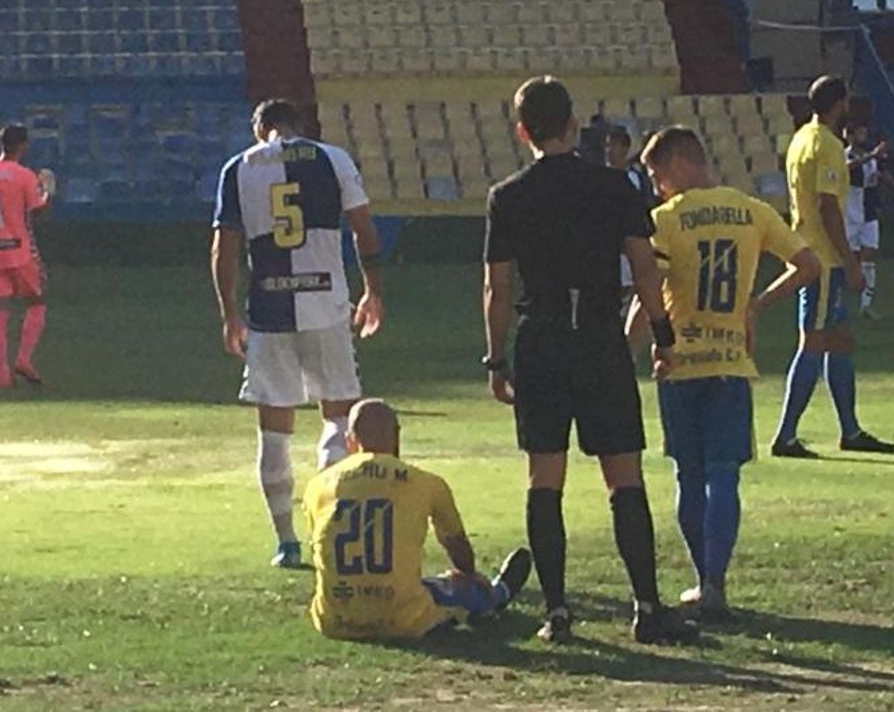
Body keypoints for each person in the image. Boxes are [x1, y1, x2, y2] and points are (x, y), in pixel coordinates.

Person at [482, 75, 695, 645]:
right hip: (598, 336)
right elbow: (645, 268)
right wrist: (663, 335)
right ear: (574, 126)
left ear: (523, 131)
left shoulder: (508, 196)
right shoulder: (615, 187)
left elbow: (498, 289)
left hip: (541, 338)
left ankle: (557, 611)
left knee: (544, 478)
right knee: (623, 476)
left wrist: (495, 360)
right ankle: (647, 606)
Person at [634, 126, 821, 621]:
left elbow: (647, 290)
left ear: (677, 164)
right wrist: (756, 305)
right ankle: (715, 583)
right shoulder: (752, 211)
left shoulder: (667, 220)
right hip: (730, 363)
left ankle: (702, 582)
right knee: (724, 476)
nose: (655, 186)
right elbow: (808, 264)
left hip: (678, 364)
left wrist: (630, 345)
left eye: (656, 174)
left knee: (688, 475)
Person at [212, 98, 385, 569]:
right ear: (297, 126)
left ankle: (286, 542)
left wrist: (230, 313)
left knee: (274, 430)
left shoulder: (240, 168)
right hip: (326, 304)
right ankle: (328, 532)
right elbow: (363, 229)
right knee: (337, 418)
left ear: (260, 129)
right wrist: (373, 289)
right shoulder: (332, 158)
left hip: (270, 309)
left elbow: (223, 249)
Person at [305, 399, 533, 640]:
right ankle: (496, 595)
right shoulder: (425, 482)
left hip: (334, 620)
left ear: (350, 441)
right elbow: (457, 546)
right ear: (397, 436)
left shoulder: (317, 486)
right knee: (451, 587)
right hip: (402, 620)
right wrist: (468, 574)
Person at [771, 76, 894, 459]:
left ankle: (850, 429)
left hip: (808, 248)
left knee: (840, 341)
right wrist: (850, 260)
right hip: (823, 259)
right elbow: (828, 208)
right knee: (813, 341)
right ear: (839, 103)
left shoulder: (800, 139)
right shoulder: (827, 144)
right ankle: (786, 435)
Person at [0, 125, 52, 389]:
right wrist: (48, 190)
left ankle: (2, 374)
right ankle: (24, 359)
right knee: (36, 302)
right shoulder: (24, 176)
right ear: (23, 146)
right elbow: (38, 212)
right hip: (19, 250)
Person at [607, 126, 657, 350]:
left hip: (631, 246)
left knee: (635, 289)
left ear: (625, 149)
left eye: (614, 146)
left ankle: (629, 338)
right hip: (609, 248)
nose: (609, 151)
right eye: (607, 146)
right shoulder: (600, 179)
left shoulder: (635, 179)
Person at [842, 122, 889, 318]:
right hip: (851, 213)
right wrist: (872, 156)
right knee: (848, 258)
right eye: (860, 133)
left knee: (870, 254)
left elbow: (872, 177)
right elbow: (847, 169)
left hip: (868, 213)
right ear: (850, 136)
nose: (864, 137)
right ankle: (841, 302)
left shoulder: (870, 159)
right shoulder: (845, 155)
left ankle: (866, 304)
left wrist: (886, 179)